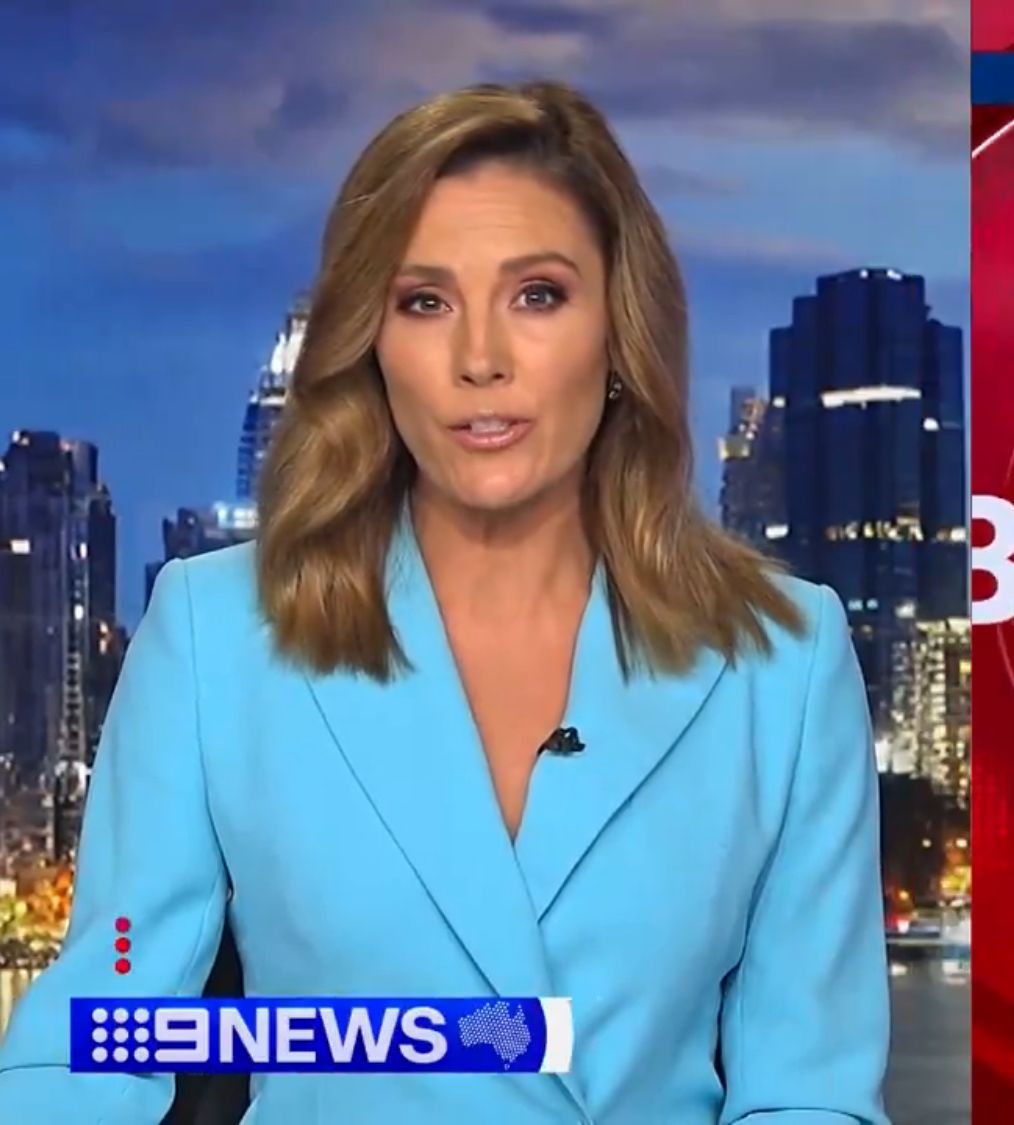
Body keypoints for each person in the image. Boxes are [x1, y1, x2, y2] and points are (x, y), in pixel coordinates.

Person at [0, 80, 891, 1123]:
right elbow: (103, 1030)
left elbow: (809, 1092)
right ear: (371, 345)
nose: (480, 361)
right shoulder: (215, 637)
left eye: (537, 295)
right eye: (424, 302)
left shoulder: (779, 662)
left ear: (619, 333)